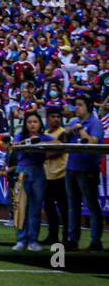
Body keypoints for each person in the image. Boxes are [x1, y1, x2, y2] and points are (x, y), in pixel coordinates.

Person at [65, 96, 103, 250]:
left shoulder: (95, 123)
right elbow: (64, 140)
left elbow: (93, 143)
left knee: (92, 204)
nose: (76, 108)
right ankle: (72, 239)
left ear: (88, 106)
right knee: (73, 206)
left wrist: (80, 130)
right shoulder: (73, 121)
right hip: (71, 167)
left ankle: (95, 241)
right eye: (75, 105)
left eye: (80, 105)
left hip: (87, 168)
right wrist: (67, 131)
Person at [14, 110, 54, 251]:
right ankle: (21, 239)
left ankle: (32, 240)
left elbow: (58, 143)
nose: (32, 124)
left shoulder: (44, 137)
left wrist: (41, 143)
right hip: (23, 172)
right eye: (29, 122)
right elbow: (15, 145)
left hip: (38, 172)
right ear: (25, 124)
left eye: (35, 122)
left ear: (39, 124)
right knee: (21, 207)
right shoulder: (20, 136)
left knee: (36, 208)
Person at [40, 106, 71, 247]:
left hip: (61, 174)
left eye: (58, 116)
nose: (56, 119)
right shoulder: (45, 133)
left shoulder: (63, 133)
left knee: (64, 208)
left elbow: (58, 151)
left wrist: (43, 153)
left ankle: (66, 237)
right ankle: (52, 236)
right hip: (47, 175)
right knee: (49, 207)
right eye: (53, 116)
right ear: (47, 118)